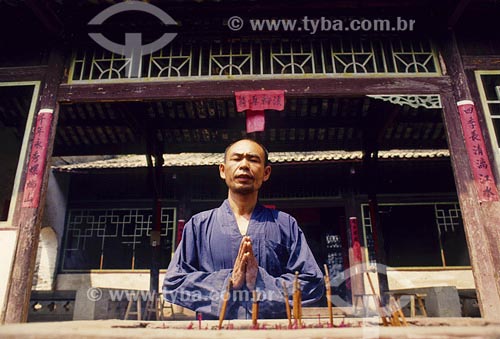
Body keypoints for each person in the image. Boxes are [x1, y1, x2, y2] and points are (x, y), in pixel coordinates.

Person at [162, 139, 324, 319]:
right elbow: (174, 284)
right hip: (215, 333)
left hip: (271, 333)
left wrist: (262, 283)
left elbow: (312, 283)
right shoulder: (198, 226)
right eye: (237, 158)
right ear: (222, 170)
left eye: (253, 160)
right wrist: (228, 282)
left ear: (266, 172)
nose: (244, 165)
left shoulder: (286, 225)